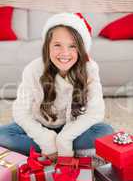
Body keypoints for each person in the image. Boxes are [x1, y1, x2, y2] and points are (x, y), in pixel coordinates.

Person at [0, 13, 113, 161]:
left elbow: (95, 113)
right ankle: (57, 148)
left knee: (105, 132)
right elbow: (21, 113)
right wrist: (46, 140)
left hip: (72, 127)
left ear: (81, 48)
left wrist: (64, 139)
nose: (65, 53)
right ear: (47, 47)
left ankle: (56, 147)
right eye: (57, 45)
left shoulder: (89, 69)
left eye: (72, 46)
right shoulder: (33, 69)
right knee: (3, 135)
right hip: (39, 124)